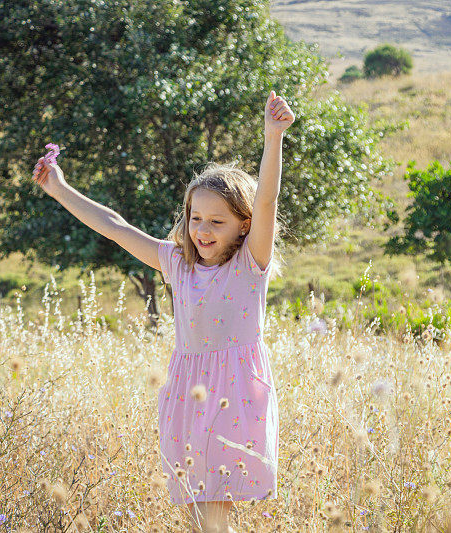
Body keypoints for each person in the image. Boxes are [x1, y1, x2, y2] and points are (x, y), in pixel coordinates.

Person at [31, 90, 295, 532]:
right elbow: (114, 227)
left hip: (235, 393)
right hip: (187, 389)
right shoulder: (177, 262)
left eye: (217, 221)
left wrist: (273, 138)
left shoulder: (251, 264)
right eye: (196, 218)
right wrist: (59, 188)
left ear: (244, 225)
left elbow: (266, 200)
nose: (202, 230)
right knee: (196, 513)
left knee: (213, 513)